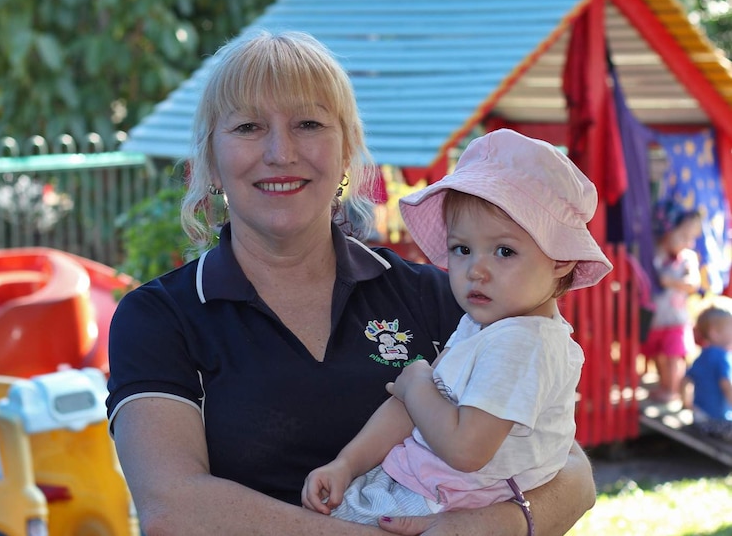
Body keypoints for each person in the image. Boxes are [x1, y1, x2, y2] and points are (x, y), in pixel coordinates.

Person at [105, 30, 597, 536]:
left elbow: (570, 472)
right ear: (210, 159)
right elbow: (173, 508)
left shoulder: (444, 298)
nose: (281, 151)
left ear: (346, 152)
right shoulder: (160, 318)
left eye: (309, 124)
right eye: (249, 126)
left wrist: (498, 525)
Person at [302, 129, 612, 525]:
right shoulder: (482, 325)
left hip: (448, 501)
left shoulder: (523, 344)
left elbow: (466, 450)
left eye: (504, 251)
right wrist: (346, 464)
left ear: (561, 259)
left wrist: (415, 384)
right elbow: (412, 409)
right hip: (422, 484)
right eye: (462, 249)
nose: (475, 271)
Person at [643, 204, 704, 403]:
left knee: (673, 357)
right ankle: (665, 387)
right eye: (683, 236)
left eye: (691, 237)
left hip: (676, 320)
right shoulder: (657, 255)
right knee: (660, 356)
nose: (689, 242)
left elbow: (694, 284)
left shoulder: (687, 259)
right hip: (658, 319)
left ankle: (673, 389)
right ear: (667, 234)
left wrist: (670, 282)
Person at [681, 297, 732, 441]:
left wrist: (687, 404)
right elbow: (727, 386)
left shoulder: (701, 356)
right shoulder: (722, 357)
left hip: (699, 420)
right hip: (718, 423)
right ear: (715, 332)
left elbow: (685, 380)